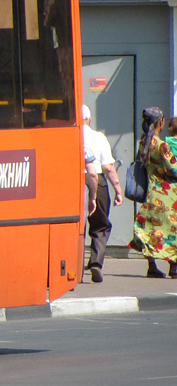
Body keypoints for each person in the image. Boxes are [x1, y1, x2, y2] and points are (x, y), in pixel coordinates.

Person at [129, 106, 177, 278]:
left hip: (151, 193)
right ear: (161, 122)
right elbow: (173, 168)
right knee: (172, 229)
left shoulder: (144, 143)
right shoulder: (162, 145)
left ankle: (152, 266)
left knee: (149, 229)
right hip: (168, 194)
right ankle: (174, 267)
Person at [81, 104, 124, 282]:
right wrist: (118, 190)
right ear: (89, 120)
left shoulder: (70, 135)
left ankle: (74, 264)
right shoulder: (98, 137)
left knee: (76, 226)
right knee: (100, 224)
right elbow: (108, 167)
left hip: (73, 179)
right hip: (96, 181)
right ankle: (96, 263)